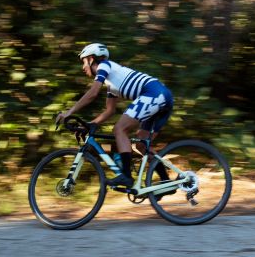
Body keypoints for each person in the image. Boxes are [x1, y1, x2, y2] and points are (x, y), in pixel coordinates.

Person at [56, 43, 174, 188]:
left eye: (84, 61)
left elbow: (92, 94)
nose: (83, 67)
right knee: (141, 146)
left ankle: (126, 176)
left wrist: (68, 113)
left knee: (119, 129)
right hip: (162, 96)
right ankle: (166, 182)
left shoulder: (104, 66)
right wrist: (90, 124)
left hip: (153, 94)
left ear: (92, 59)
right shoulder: (111, 83)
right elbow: (109, 111)